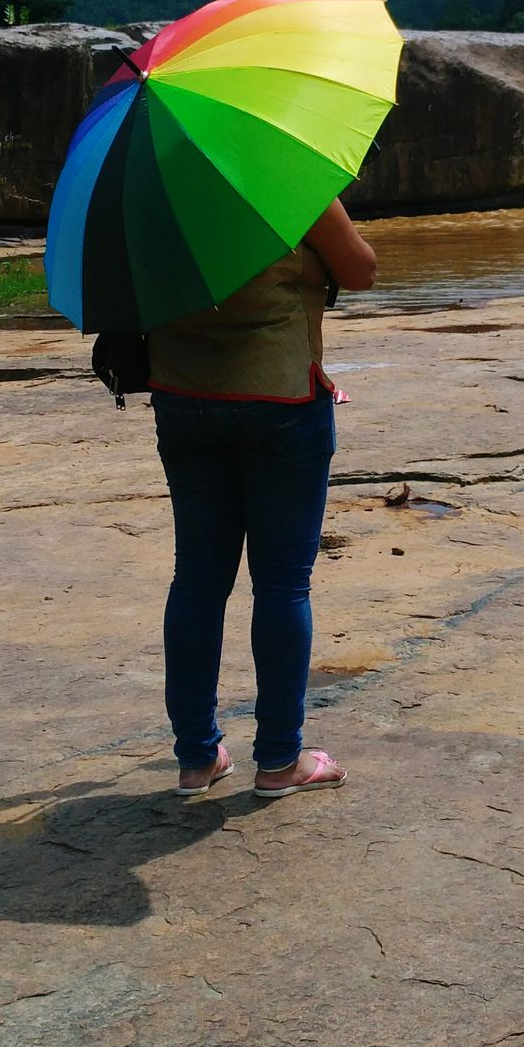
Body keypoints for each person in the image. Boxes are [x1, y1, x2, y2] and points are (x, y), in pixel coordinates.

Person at [147, 198, 376, 799]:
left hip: (183, 396)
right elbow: (361, 271)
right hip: (281, 402)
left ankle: (197, 759)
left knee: (197, 581)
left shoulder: (150, 194)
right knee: (281, 584)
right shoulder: (288, 179)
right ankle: (279, 761)